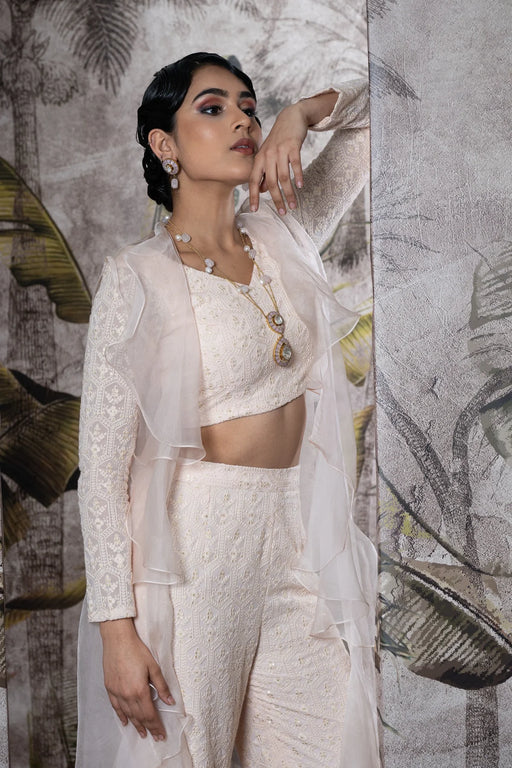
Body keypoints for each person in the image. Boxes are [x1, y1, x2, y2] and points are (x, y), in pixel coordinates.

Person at [76, 52, 378, 768]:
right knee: (191, 752)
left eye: (247, 105)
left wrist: (299, 115)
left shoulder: (282, 230)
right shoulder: (136, 276)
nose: (242, 119)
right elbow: (103, 466)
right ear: (166, 144)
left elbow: (375, 116)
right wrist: (117, 631)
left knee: (329, 747)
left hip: (298, 534)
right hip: (198, 549)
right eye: (212, 108)